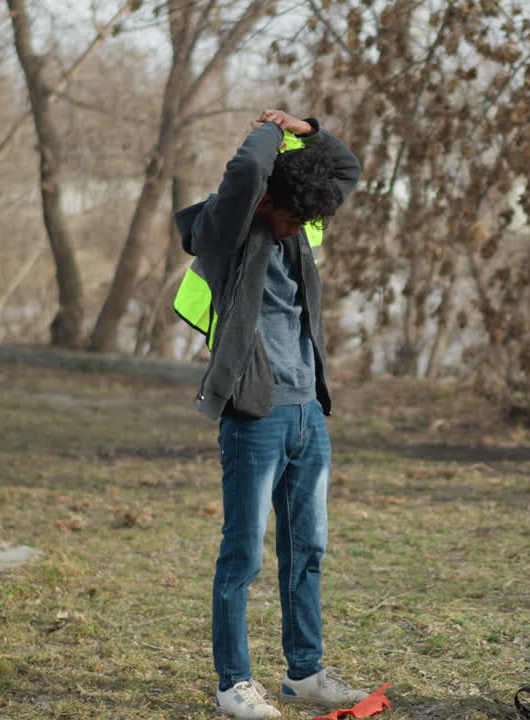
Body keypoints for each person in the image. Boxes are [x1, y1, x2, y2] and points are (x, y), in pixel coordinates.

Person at [173, 110, 367, 719]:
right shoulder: (228, 226)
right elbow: (254, 165)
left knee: (307, 546)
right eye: (289, 215)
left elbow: (347, 168)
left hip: (309, 410)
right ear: (264, 202)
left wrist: (306, 128)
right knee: (244, 555)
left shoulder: (299, 221)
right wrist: (268, 128)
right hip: (255, 415)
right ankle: (234, 684)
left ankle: (304, 674)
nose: (297, 228)